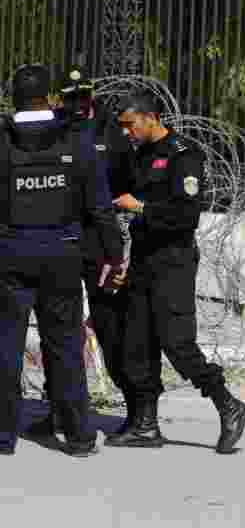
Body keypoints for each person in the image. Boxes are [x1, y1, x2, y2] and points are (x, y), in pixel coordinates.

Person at [105, 90, 245, 454]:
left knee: (178, 344)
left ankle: (229, 405)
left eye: (130, 124)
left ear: (150, 117)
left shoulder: (183, 156)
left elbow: (186, 216)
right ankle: (145, 425)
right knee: (136, 346)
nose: (126, 132)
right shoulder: (141, 155)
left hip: (173, 262)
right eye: (121, 126)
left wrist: (139, 207)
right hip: (142, 260)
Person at [0, 63, 123, 456]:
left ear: (13, 98)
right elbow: (100, 207)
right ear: (50, 98)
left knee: (5, 346)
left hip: (10, 253)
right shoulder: (76, 138)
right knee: (66, 346)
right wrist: (114, 254)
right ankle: (79, 436)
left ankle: (4, 436)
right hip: (63, 252)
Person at [26, 67, 137, 439]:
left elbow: (123, 187)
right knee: (59, 332)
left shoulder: (110, 131)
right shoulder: (54, 128)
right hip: (62, 240)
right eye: (70, 97)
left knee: (109, 326)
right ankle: (60, 409)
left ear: (91, 95)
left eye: (83, 97)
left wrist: (115, 250)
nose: (77, 104)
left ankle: (139, 411)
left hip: (98, 242)